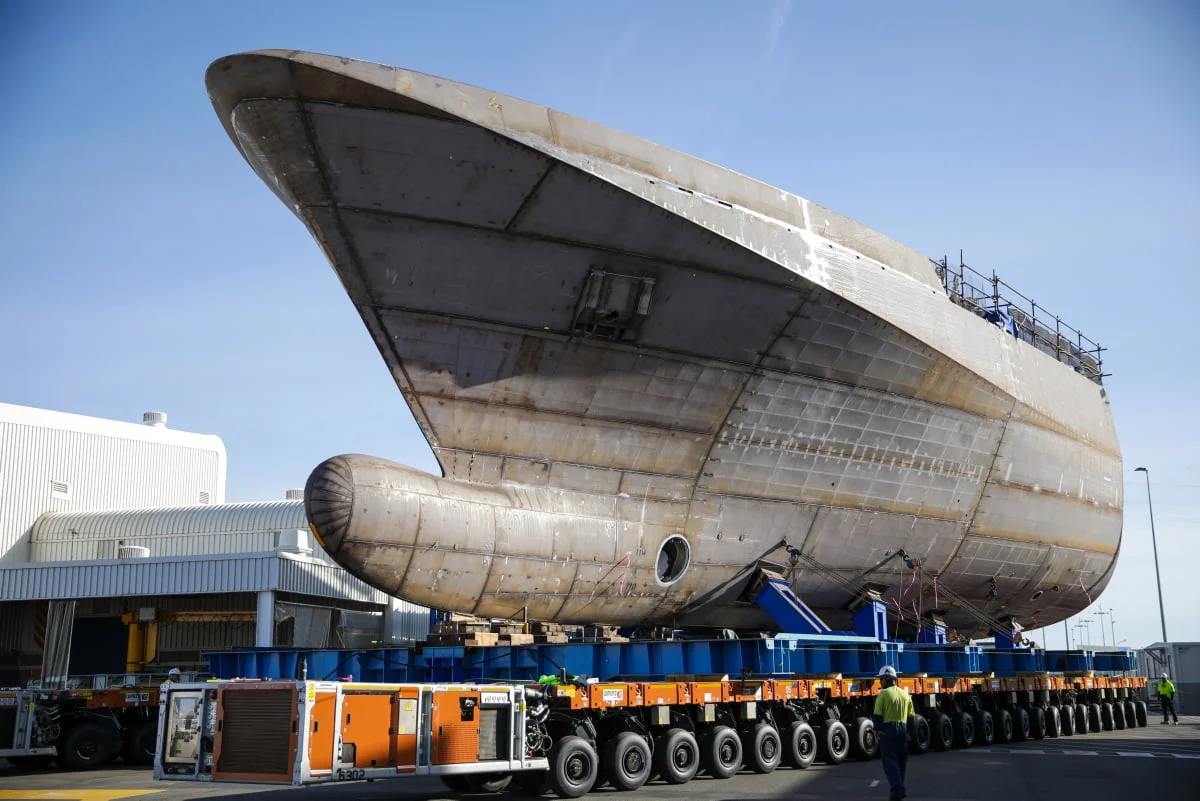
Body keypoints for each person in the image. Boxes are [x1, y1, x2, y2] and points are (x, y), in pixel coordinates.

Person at [873, 665, 914, 801]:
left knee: (890, 762)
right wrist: (909, 732)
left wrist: (876, 729)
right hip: (903, 729)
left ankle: (898, 790)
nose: (880, 682)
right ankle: (899, 788)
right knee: (901, 761)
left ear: (886, 679)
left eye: (881, 679)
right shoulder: (905, 695)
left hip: (888, 731)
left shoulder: (883, 694)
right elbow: (911, 717)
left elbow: (877, 715)